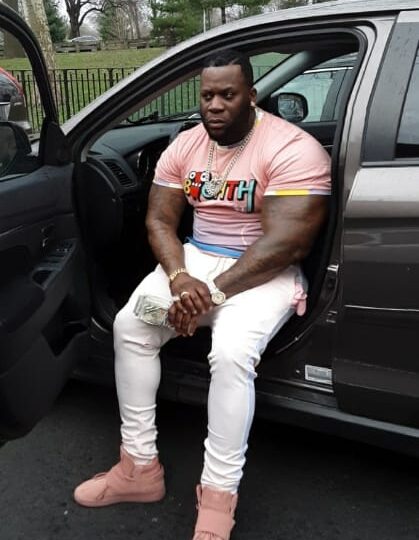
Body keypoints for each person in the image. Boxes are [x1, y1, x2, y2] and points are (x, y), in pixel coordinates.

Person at [74, 49, 331, 539]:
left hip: (264, 269)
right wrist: (179, 277)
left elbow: (287, 243)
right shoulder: (187, 144)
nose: (214, 105)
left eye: (227, 95)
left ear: (251, 95)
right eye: (207, 95)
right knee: (130, 326)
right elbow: (159, 219)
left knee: (231, 353)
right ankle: (138, 468)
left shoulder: (292, 148)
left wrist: (210, 293)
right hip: (196, 260)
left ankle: (217, 496)